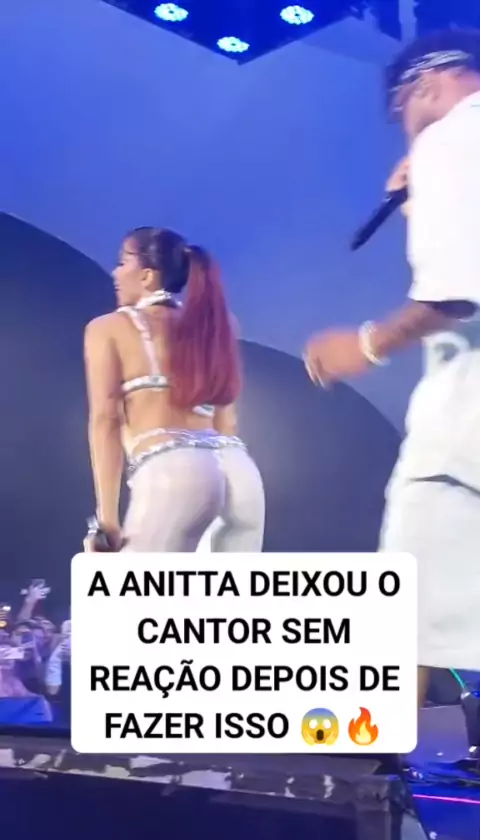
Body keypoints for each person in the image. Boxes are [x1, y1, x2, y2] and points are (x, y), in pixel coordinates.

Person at [303, 28, 480, 706]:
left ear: (423, 85)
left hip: (463, 429)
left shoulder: (450, 138)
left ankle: (376, 767)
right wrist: (417, 203)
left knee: (402, 604)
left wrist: (367, 345)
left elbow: (457, 290)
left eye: (399, 112)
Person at [83, 227, 265, 552]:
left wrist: (107, 521)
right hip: (240, 473)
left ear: (147, 276)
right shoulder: (213, 327)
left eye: (122, 262)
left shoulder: (108, 329)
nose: (115, 273)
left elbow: (105, 421)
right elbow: (227, 421)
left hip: (175, 473)